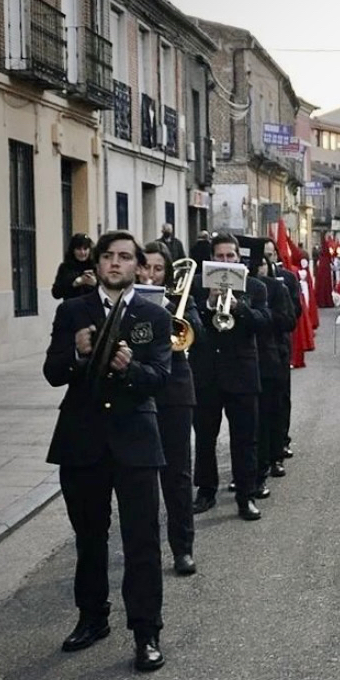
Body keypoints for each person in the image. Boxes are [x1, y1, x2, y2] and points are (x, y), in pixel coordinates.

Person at [44, 230, 171, 672]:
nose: (116, 263)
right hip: (82, 440)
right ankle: (92, 617)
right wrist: (77, 356)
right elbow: (52, 372)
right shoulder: (72, 311)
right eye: (108, 256)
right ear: (97, 264)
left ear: (138, 266)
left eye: (125, 257)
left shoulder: (153, 315)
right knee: (89, 537)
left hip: (135, 441)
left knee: (142, 541)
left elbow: (160, 377)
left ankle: (146, 631)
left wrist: (130, 368)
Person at [189, 234, 270, 521]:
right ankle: (206, 491)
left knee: (245, 439)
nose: (225, 261)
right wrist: (209, 304)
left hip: (242, 373)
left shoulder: (255, 287)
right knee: (204, 437)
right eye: (219, 257)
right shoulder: (197, 286)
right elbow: (188, 324)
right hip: (206, 373)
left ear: (239, 258)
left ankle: (246, 496)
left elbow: (264, 323)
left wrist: (239, 307)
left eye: (230, 256)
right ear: (211, 259)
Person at [141, 243, 203, 576]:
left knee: (178, 475)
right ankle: (146, 553)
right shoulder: (128, 301)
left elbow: (197, 333)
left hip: (176, 393)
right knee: (142, 479)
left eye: (158, 269)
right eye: (146, 268)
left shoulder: (182, 299)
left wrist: (168, 308)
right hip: (139, 393)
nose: (151, 274)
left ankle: (183, 549)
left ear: (167, 273)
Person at [254, 253, 296, 498]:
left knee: (275, 408)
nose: (259, 267)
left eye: (263, 262)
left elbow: (290, 318)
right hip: (248, 359)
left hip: (274, 354)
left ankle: (276, 456)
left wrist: (263, 314)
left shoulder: (279, 286)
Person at [52, 233, 98, 301]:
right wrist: (75, 283)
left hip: (92, 306)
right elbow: (56, 293)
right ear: (73, 250)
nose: (82, 252)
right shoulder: (66, 267)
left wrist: (95, 284)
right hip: (71, 305)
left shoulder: (96, 267)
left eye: (85, 249)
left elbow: (108, 291)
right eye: (78, 249)